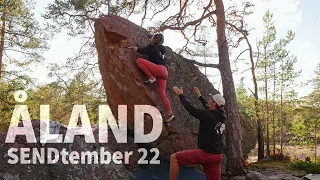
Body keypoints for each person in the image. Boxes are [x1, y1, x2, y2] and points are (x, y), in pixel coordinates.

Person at [170, 86, 226, 180]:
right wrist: (199, 95)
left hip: (206, 155)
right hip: (217, 156)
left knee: (174, 158)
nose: (209, 99)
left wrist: (181, 95)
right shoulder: (223, 116)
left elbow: (191, 109)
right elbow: (208, 107)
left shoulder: (207, 115)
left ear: (214, 103)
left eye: (211, 99)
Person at [127, 34, 175, 123]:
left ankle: (151, 77)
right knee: (162, 94)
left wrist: (135, 48)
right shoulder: (162, 48)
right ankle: (170, 114)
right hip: (164, 72)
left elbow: (142, 51)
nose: (150, 38)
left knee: (139, 61)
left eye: (152, 37)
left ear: (155, 39)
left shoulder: (151, 47)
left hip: (159, 69)